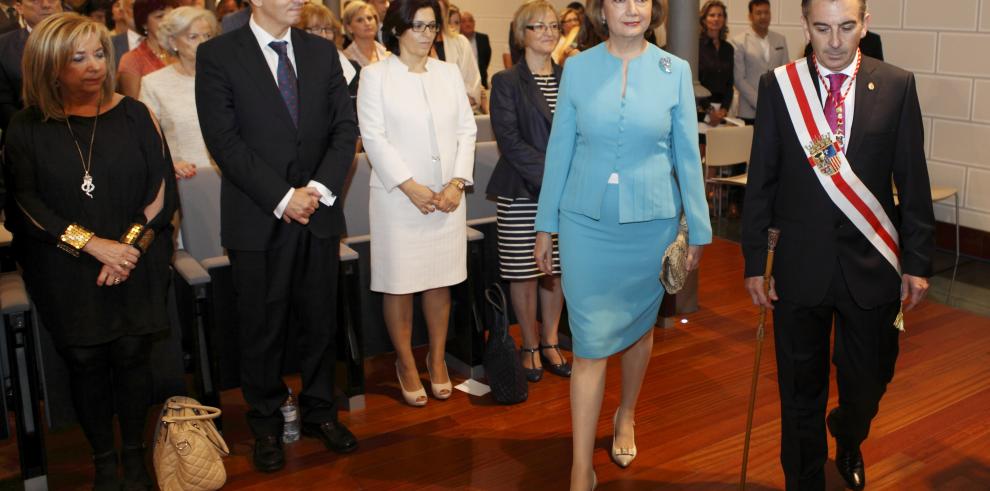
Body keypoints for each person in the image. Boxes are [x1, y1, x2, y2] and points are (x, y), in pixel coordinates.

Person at [741, 0, 934, 489]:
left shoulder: (896, 85)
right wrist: (752, 264)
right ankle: (804, 479)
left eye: (846, 27)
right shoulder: (779, 87)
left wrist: (917, 260)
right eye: (822, 28)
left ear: (864, 25)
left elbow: (913, 180)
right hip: (798, 266)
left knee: (868, 382)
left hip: (872, 262)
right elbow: (761, 181)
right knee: (799, 391)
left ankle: (848, 433)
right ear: (805, 25)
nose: (833, 42)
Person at [533, 0, 710, 488]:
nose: (632, 8)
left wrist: (698, 226)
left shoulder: (674, 70)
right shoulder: (577, 68)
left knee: (637, 329)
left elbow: (687, 156)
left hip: (650, 225)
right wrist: (544, 224)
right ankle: (578, 468)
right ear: (600, 9)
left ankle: (626, 413)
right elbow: (560, 148)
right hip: (584, 224)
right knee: (589, 344)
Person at [5, 13, 177, 490]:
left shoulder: (136, 114)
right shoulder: (26, 127)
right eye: (77, 58)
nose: (94, 66)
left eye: (98, 53)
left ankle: (135, 455)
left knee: (131, 356)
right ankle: (104, 458)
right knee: (84, 361)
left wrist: (125, 250)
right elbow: (26, 205)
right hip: (65, 267)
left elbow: (161, 192)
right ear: (49, 67)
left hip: (134, 262)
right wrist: (94, 246)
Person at [195, 0, 359, 473]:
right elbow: (223, 140)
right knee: (260, 327)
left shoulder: (321, 52)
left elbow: (344, 128)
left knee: (319, 319)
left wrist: (319, 189)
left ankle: (320, 413)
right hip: (258, 214)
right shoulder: (219, 54)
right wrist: (284, 197)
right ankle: (265, 424)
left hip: (319, 211)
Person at [358, 0, 476, 407]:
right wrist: (409, 186)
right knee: (400, 284)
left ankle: (438, 360)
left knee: (440, 281)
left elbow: (467, 129)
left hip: (447, 197)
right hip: (398, 199)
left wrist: (457, 183)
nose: (427, 34)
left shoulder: (447, 73)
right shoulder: (375, 76)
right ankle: (406, 363)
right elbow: (373, 137)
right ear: (396, 30)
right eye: (418, 26)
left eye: (432, 27)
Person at [487, 0, 568, 383]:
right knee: (525, 272)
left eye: (554, 25)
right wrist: (556, 179)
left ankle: (551, 341)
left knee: (558, 270)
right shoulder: (506, 81)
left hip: (568, 192)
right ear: (522, 35)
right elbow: (511, 142)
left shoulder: (573, 78)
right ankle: (530, 344)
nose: (549, 32)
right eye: (538, 26)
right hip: (522, 190)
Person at [139, 6, 217, 179]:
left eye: (208, 36)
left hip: (234, 179)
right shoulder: (154, 84)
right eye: (193, 37)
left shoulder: (226, 77)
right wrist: (168, 163)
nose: (203, 42)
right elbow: (144, 140)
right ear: (173, 42)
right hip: (186, 180)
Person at [0, 0, 62, 135]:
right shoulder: (3, 47)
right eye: (36, 0)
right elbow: (3, 104)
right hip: (25, 137)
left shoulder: (86, 40)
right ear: (19, 8)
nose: (46, 4)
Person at [732, 0, 788, 125]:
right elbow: (739, 79)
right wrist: (760, 102)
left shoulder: (780, 40)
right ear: (750, 16)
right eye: (758, 13)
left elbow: (785, 73)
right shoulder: (739, 41)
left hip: (776, 109)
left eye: (766, 12)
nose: (763, 16)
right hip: (749, 110)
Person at [296, 2, 360, 103]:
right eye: (316, 29)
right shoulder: (291, 70)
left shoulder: (353, 68)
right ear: (299, 31)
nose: (324, 35)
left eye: (328, 29)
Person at [117, 0, 174, 98]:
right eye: (160, 16)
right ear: (144, 23)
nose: (167, 22)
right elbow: (135, 107)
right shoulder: (132, 60)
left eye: (172, 16)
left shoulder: (182, 53)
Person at [435, 0, 480, 111]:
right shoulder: (413, 45)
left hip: (458, 118)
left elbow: (473, 89)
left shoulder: (460, 42)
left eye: (439, 10)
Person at [698, 0, 732, 126]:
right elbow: (692, 83)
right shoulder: (696, 47)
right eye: (712, 15)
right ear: (704, 19)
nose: (716, 19)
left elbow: (730, 83)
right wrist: (710, 110)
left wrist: (724, 109)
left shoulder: (728, 48)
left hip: (721, 113)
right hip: (700, 109)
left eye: (720, 15)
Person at [342, 0, 388, 67]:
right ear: (349, 28)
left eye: (369, 18)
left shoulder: (386, 52)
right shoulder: (346, 58)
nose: (367, 23)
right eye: (360, 20)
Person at [804, 29, 883, 60]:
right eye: (822, 29)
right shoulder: (815, 42)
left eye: (847, 28)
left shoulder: (872, 40)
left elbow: (878, 71)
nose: (835, 43)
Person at [459, 11, 489, 88]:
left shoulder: (483, 39)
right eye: (464, 21)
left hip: (480, 83)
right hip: (461, 83)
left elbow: (486, 60)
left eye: (470, 20)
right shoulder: (455, 41)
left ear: (474, 23)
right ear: (459, 24)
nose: (468, 24)